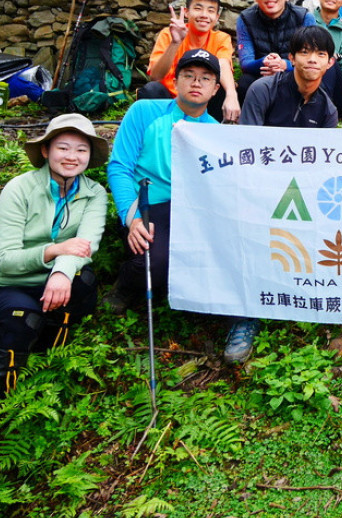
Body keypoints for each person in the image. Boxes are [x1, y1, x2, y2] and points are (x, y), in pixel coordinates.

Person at [0, 114, 109, 473]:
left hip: (57, 278)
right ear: (46, 149)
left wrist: (61, 272)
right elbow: (5, 262)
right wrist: (53, 252)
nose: (72, 156)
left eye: (81, 149)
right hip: (11, 285)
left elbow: (88, 246)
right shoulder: (18, 188)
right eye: (63, 147)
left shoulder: (94, 193)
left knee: (84, 284)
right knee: (21, 319)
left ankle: (49, 359)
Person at [106, 49, 260, 363]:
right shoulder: (144, 112)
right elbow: (120, 166)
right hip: (152, 205)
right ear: (175, 80)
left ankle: (238, 316)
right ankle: (126, 285)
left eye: (205, 78)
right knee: (150, 263)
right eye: (189, 75)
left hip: (197, 210)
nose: (196, 83)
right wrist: (131, 217)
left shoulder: (215, 133)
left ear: (216, 89)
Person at [141, 0, 239, 123]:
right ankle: (154, 136)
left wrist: (231, 94)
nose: (204, 15)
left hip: (202, 102)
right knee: (152, 89)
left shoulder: (221, 38)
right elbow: (155, 76)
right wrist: (175, 42)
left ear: (217, 17)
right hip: (172, 100)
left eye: (211, 10)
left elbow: (223, 64)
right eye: (198, 9)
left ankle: (214, 135)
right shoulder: (169, 34)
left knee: (224, 86)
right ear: (186, 12)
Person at [235, 0, 320, 104]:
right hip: (261, 74)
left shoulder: (304, 17)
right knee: (245, 82)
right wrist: (266, 62)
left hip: (295, 74)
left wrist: (284, 64)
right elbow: (246, 62)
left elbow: (310, 58)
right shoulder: (245, 19)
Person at [240, 27, 339, 128]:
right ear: (292, 58)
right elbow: (248, 139)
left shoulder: (328, 111)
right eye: (304, 52)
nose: (312, 60)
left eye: (321, 54)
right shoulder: (263, 90)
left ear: (330, 63)